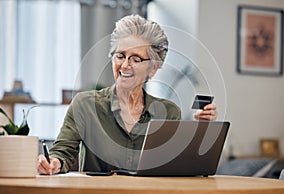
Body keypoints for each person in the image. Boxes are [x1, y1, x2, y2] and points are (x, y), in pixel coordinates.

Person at [37, 15, 218, 175]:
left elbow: (178, 168)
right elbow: (62, 152)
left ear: (153, 69)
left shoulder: (170, 113)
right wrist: (54, 163)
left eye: (136, 59)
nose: (124, 65)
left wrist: (202, 131)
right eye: (120, 56)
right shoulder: (85, 105)